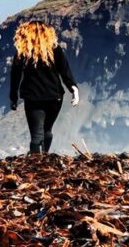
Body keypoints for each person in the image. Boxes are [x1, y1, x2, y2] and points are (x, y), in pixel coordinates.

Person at [9, 20, 80, 153]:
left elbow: (15, 76)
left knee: (36, 135)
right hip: (55, 97)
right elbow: (65, 71)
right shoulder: (54, 48)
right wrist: (74, 89)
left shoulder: (22, 52)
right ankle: (45, 157)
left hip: (33, 98)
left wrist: (13, 98)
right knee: (47, 130)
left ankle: (36, 164)